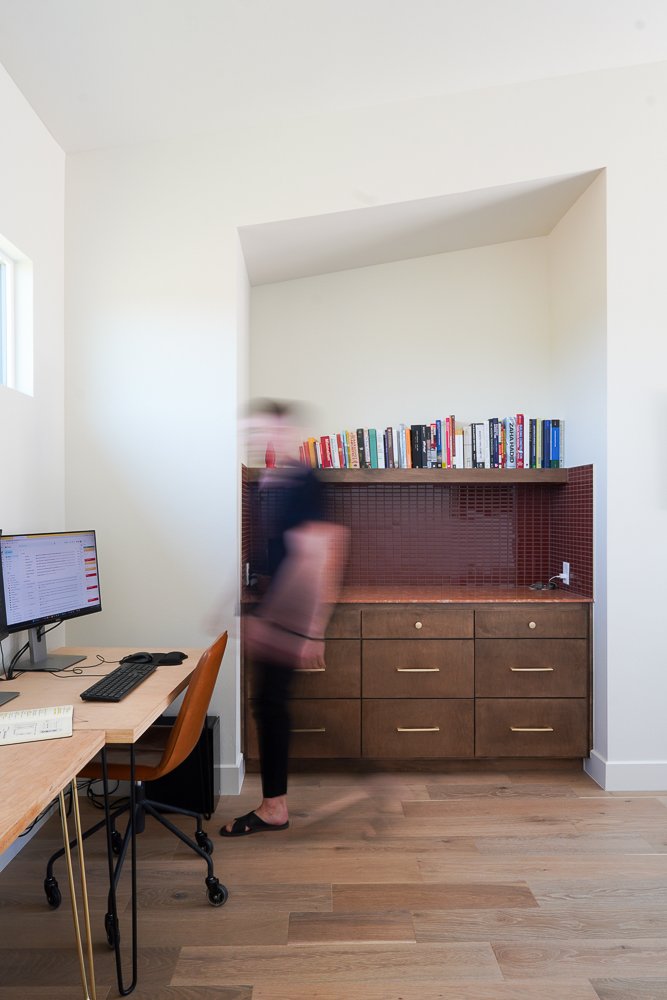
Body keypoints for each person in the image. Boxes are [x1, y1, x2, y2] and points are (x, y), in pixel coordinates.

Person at [221, 400, 347, 837]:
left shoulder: (304, 482)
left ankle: (275, 807)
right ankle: (274, 803)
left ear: (288, 431)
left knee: (271, 707)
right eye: (253, 432)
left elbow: (323, 553)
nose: (259, 439)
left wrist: (309, 630)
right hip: (275, 614)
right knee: (268, 706)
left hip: (288, 618)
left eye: (266, 430)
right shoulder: (275, 481)